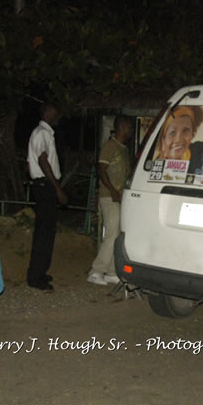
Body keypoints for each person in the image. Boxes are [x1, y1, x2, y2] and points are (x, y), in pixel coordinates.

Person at [87, 115, 134, 286]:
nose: (131, 131)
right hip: (109, 195)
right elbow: (101, 170)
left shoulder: (123, 148)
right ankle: (96, 271)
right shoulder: (110, 146)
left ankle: (112, 272)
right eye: (129, 127)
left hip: (119, 197)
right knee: (112, 234)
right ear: (121, 127)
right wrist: (113, 191)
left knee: (117, 234)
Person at [26, 103, 68, 292]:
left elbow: (30, 164)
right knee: (44, 233)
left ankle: (39, 271)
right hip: (46, 186)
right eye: (56, 111)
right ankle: (35, 277)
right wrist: (57, 188)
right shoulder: (42, 132)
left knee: (45, 231)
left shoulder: (41, 132)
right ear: (48, 112)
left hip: (42, 185)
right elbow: (43, 160)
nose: (58, 115)